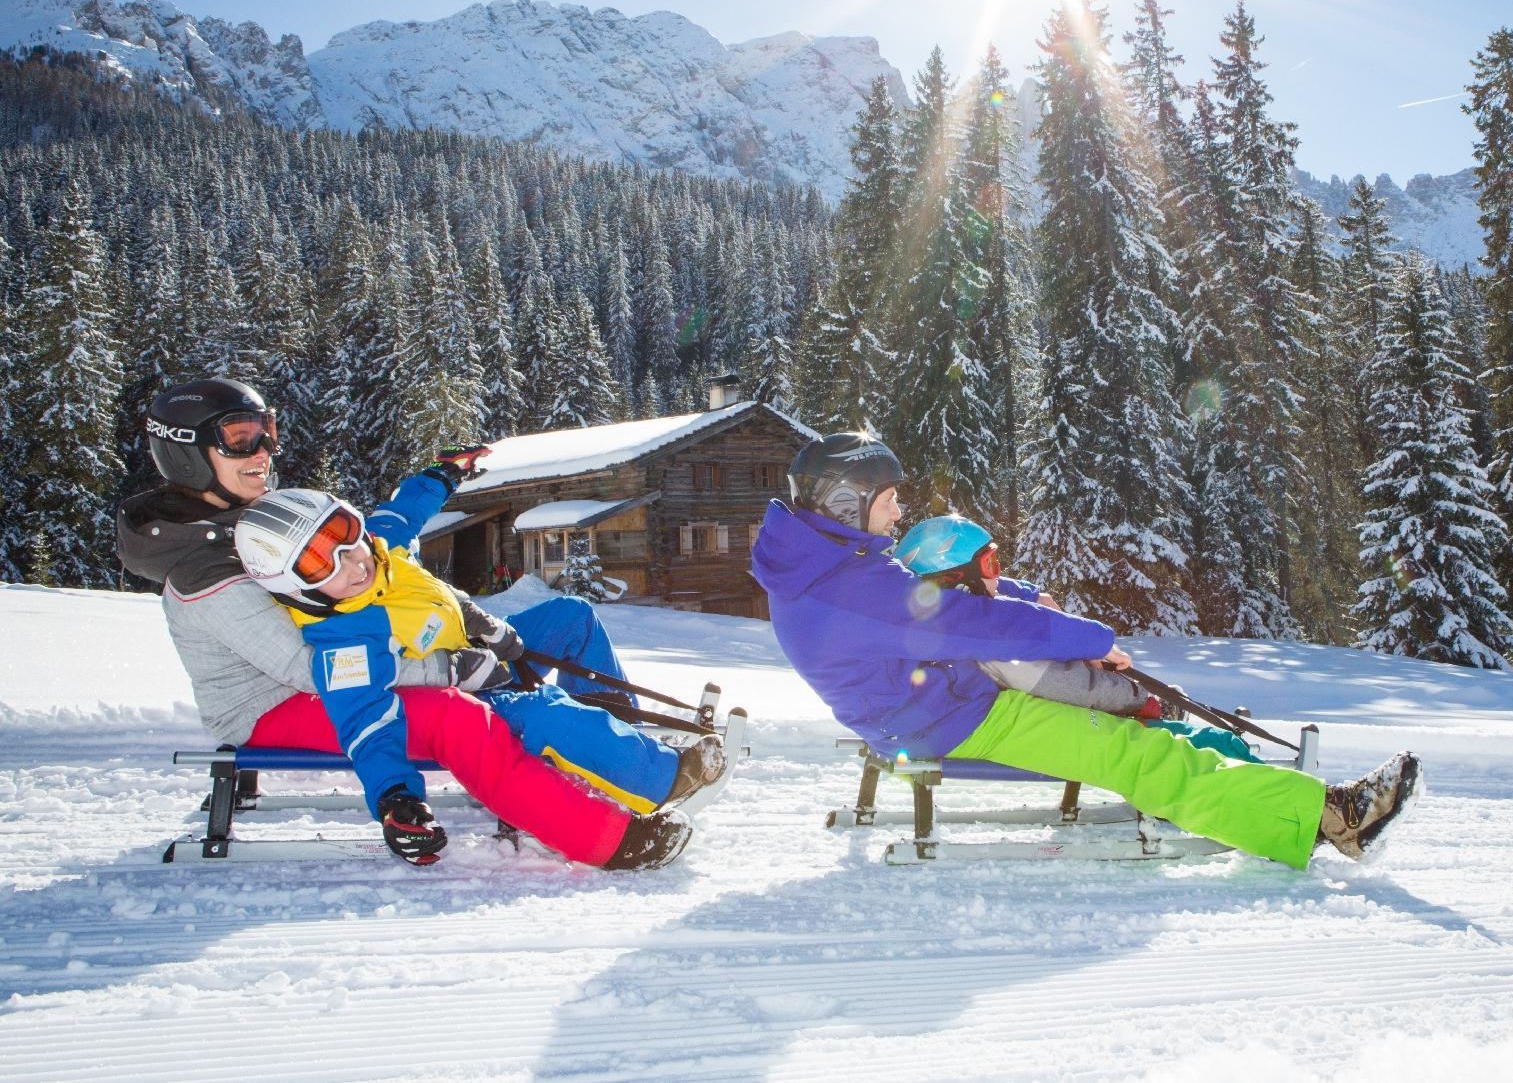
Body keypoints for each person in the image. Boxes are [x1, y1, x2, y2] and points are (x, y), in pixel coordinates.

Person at [751, 431, 1423, 867]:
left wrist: (1020, 592)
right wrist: (1094, 640)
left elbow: (921, 594)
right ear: (847, 501)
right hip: (942, 719)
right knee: (1128, 751)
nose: (900, 514)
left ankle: (1286, 804)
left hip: (936, 698)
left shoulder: (828, 563)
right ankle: (1330, 818)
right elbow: (967, 622)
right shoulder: (844, 589)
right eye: (891, 500)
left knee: (1132, 735)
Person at [116, 377, 690, 869]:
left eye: (266, 429)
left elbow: (381, 533)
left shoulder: (259, 521)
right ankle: (602, 837)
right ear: (189, 452)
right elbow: (311, 670)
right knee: (455, 717)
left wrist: (440, 479)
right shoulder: (204, 568)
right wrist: (451, 668)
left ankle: (616, 750)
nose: (263, 450)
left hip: (379, 647)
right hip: (276, 703)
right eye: (241, 438)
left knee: (566, 621)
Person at [232, 477, 725, 860]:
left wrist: (444, 475)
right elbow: (366, 723)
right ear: (296, 588)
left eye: (344, 534)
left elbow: (404, 510)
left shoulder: (383, 548)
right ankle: (661, 777)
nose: (351, 561)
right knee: (543, 709)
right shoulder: (343, 641)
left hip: (482, 648)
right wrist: (395, 796)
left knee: (571, 617)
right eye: (322, 564)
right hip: (470, 693)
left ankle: (621, 738)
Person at [893, 514, 1259, 763]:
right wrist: (1140, 698)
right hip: (1058, 724)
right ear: (957, 578)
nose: (998, 576)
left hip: (1029, 718)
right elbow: (1068, 687)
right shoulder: (992, 644)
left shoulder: (940, 620)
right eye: (991, 565)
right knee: (1191, 744)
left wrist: (1032, 597)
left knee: (1170, 735)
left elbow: (992, 594)